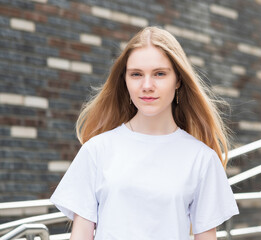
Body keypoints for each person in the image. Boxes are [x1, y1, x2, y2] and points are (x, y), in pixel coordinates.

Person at [50, 26, 239, 240]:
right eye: (136, 74)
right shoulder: (96, 150)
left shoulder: (202, 159)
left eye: (159, 74)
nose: (147, 86)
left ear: (178, 80)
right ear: (125, 80)